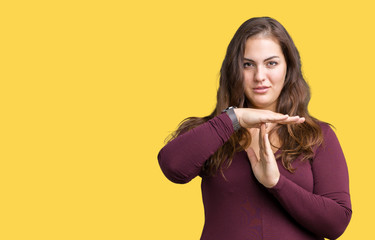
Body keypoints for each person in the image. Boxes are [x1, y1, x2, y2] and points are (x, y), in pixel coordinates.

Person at [157, 17, 352, 240]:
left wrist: (276, 183)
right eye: (247, 64)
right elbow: (172, 166)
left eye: (271, 63)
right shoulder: (213, 131)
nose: (260, 77)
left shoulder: (317, 136)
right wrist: (233, 119)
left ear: (288, 68)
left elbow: (336, 223)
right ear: (234, 70)